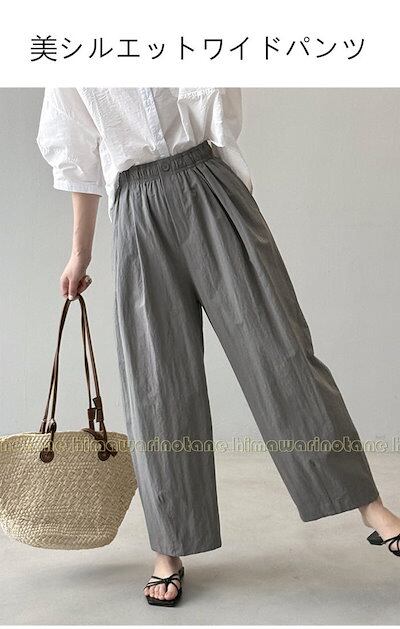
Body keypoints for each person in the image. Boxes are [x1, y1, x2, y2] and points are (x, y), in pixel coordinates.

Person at [36, 87, 400, 606]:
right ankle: (168, 548)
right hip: (137, 207)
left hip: (208, 183)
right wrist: (80, 254)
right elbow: (77, 154)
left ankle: (369, 505)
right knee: (157, 384)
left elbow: (217, 101)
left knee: (281, 353)